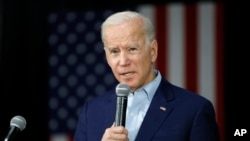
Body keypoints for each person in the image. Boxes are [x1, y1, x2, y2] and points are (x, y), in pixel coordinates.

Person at [74, 10, 220, 141]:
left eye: (132, 49)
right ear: (107, 57)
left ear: (153, 51)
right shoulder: (91, 112)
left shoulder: (194, 110)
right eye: (114, 52)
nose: (123, 62)